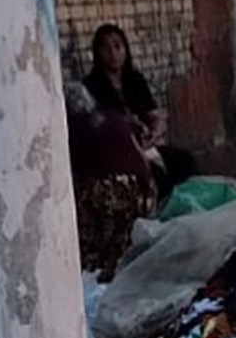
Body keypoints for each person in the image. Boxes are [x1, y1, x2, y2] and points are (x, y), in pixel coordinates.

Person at [82, 24, 193, 195]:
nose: (113, 53)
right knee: (156, 176)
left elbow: (152, 113)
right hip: (119, 153)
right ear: (97, 52)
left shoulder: (135, 80)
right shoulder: (91, 86)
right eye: (106, 48)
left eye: (117, 46)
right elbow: (98, 127)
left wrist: (155, 130)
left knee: (185, 161)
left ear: (126, 49)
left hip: (145, 144)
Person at [64, 81, 155, 277]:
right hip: (143, 190)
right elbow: (141, 152)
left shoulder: (73, 129)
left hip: (111, 196)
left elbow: (75, 173)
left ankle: (102, 262)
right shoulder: (113, 116)